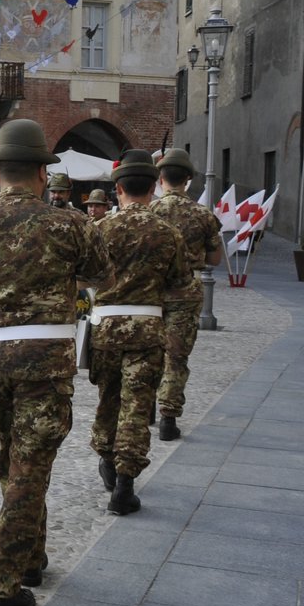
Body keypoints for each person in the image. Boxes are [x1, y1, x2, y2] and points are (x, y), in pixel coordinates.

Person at [0, 119, 112, 606]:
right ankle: (2, 584)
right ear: (43, 172)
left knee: (15, 462)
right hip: (45, 365)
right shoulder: (72, 225)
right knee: (28, 472)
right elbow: (99, 279)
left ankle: (32, 556)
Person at [89, 150, 192, 515]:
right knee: (137, 404)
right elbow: (181, 283)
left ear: (118, 189)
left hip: (105, 327)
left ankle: (106, 458)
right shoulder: (168, 233)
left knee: (109, 397)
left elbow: (84, 278)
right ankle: (125, 483)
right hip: (147, 327)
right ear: (153, 188)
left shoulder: (99, 229)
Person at [149, 148, 225, 442]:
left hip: (152, 291)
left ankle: (149, 408)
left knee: (151, 352)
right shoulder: (203, 215)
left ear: (160, 178)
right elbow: (215, 259)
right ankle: (169, 416)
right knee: (176, 356)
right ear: (189, 179)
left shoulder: (150, 212)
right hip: (186, 290)